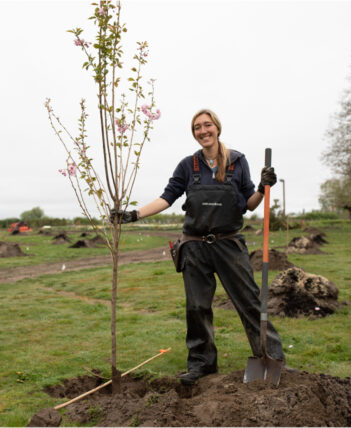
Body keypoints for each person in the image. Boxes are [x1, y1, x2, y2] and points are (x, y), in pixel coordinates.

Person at [112, 108, 286, 385]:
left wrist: (263, 189)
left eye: (207, 125)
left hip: (229, 245)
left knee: (250, 303)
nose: (203, 131)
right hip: (194, 247)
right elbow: (167, 197)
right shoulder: (187, 165)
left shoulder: (238, 161)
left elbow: (249, 204)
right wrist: (133, 215)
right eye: (197, 128)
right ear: (194, 134)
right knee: (197, 308)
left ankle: (272, 359)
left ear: (217, 128)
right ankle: (202, 364)